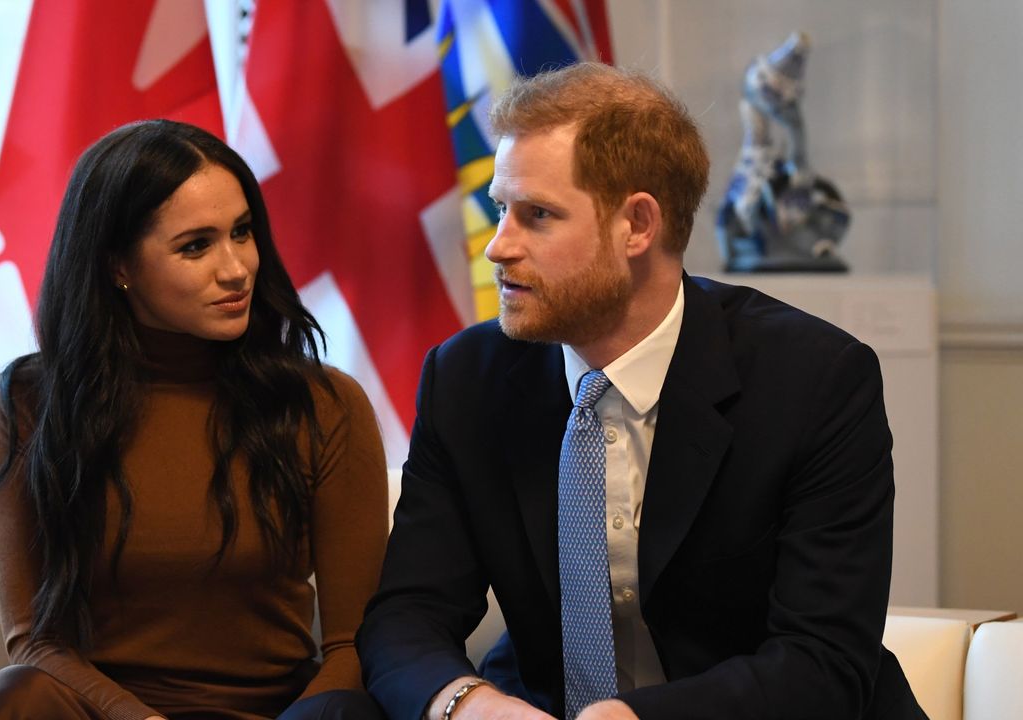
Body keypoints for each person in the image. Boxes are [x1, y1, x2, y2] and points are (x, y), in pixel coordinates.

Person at [356, 63, 925, 720]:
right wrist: (471, 705)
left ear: (638, 225)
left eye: (537, 215)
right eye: (499, 210)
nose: (498, 247)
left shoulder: (815, 380)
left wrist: (633, 719)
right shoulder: (467, 379)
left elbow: (822, 661)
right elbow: (407, 617)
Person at [0, 120, 388, 720]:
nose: (236, 269)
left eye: (242, 232)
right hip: (107, 713)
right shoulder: (27, 402)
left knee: (347, 713)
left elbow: (352, 643)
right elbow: (34, 640)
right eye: (196, 246)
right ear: (117, 266)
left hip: (283, 714)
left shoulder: (324, 403)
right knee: (14, 697)